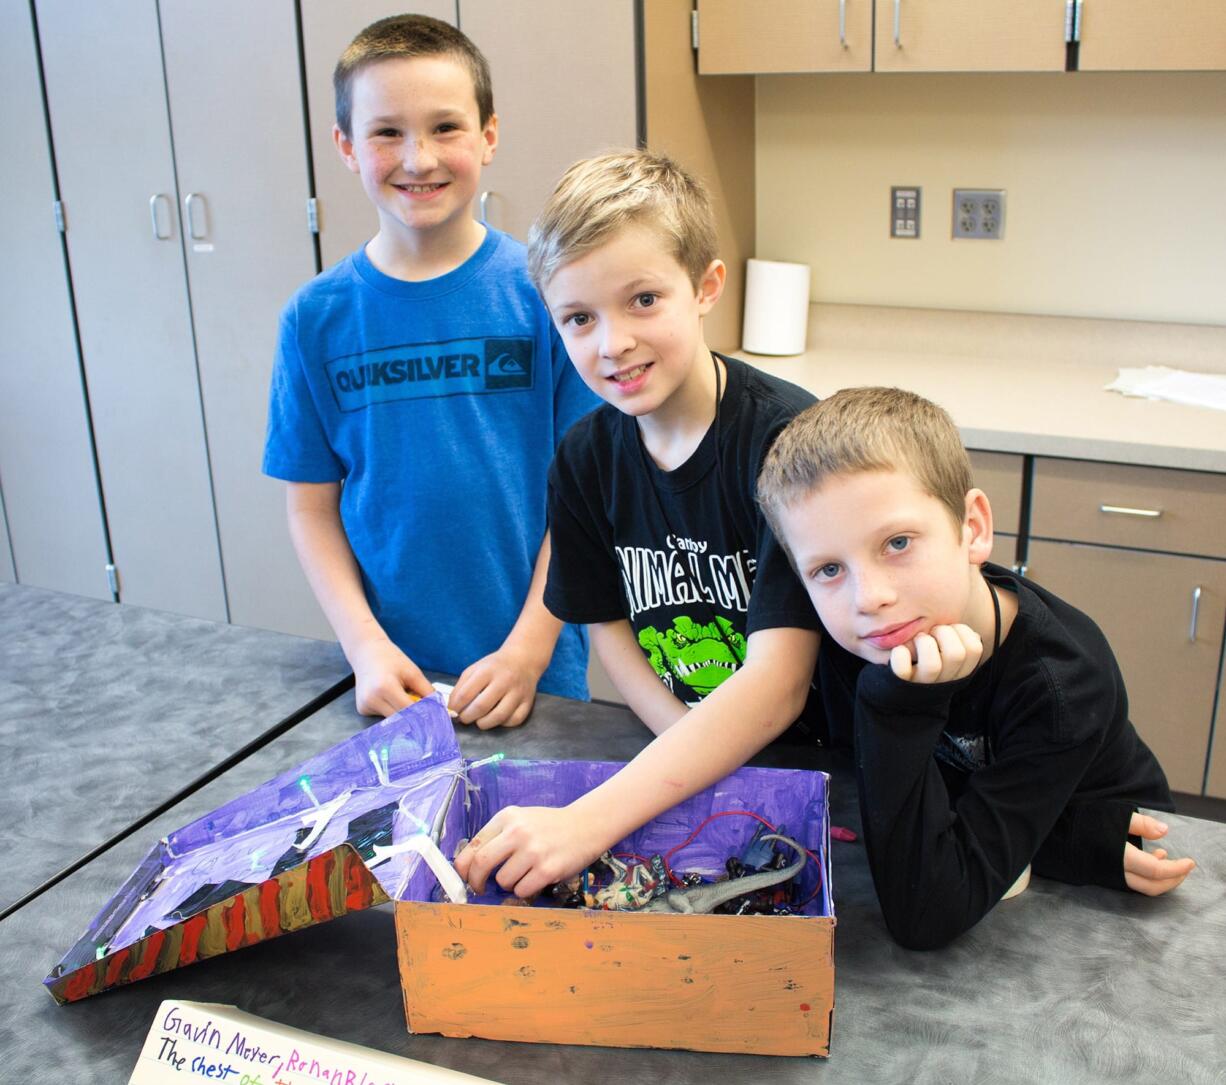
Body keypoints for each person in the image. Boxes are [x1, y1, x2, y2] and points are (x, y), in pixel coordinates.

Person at [455, 150, 821, 898]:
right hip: (693, 763)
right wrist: (681, 742)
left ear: (706, 287)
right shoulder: (586, 458)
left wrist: (591, 820)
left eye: (643, 300)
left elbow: (780, 684)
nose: (611, 343)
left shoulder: (789, 444)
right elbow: (607, 626)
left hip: (821, 769)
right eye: (579, 318)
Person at [756, 386, 1195, 949]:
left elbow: (926, 916)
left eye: (897, 542)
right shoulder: (858, 636)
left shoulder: (1061, 682)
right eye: (828, 570)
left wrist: (893, 708)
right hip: (1013, 839)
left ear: (973, 527)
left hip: (1116, 891)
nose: (869, 596)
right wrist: (1052, 838)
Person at [263, 15, 597, 726]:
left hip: (531, 670)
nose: (418, 158)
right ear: (346, 147)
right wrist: (365, 646)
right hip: (390, 678)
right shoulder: (314, 319)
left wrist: (530, 650)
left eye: (446, 127)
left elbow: (584, 498)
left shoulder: (548, 297)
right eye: (387, 132)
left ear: (489, 135)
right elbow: (310, 508)